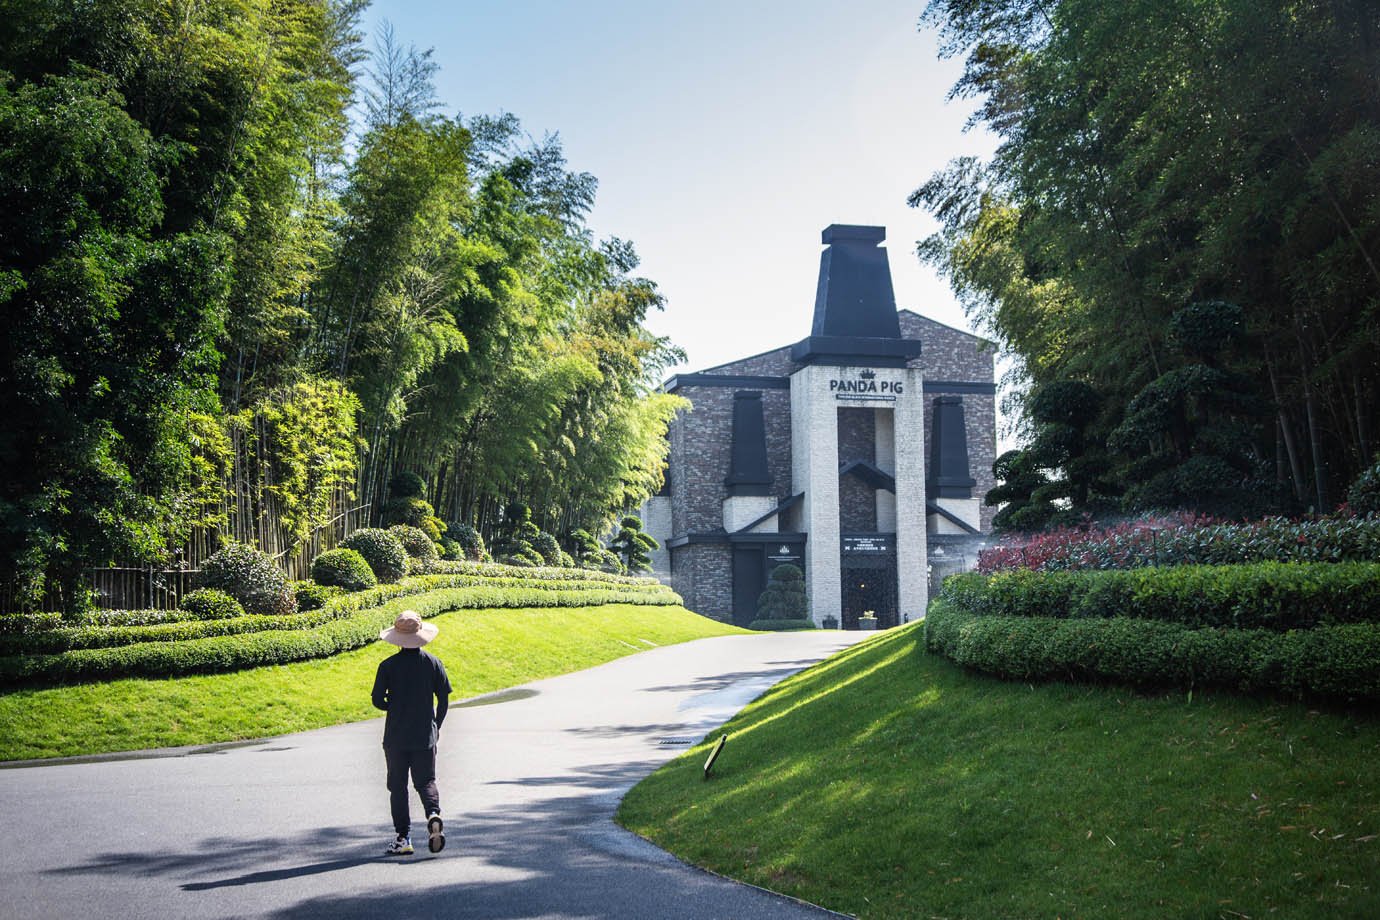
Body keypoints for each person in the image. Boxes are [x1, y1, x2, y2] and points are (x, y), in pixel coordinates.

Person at [372, 609, 452, 856]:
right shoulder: (433, 663)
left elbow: (377, 700)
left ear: (397, 638)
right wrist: (436, 724)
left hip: (396, 736)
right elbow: (444, 698)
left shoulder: (387, 666)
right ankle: (433, 814)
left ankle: (403, 837)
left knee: (398, 787)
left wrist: (392, 705)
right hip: (424, 734)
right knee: (426, 781)